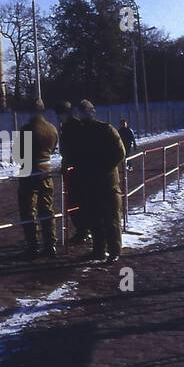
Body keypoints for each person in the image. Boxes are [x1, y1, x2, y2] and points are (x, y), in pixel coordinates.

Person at [78, 99, 126, 263]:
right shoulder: (83, 132)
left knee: (111, 218)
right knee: (95, 219)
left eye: (85, 112)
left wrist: (104, 167)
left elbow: (120, 152)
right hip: (92, 183)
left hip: (107, 182)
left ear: (92, 112)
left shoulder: (106, 129)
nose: (82, 115)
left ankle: (114, 251)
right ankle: (99, 250)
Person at [16, 100, 60, 260]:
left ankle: (33, 245)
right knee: (47, 209)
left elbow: (19, 155)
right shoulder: (52, 129)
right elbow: (54, 148)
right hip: (46, 172)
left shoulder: (26, 129)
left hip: (29, 173)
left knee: (28, 210)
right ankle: (51, 245)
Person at [57, 101, 89, 245]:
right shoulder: (71, 125)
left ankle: (83, 231)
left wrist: (68, 164)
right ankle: (84, 230)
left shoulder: (72, 126)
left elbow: (71, 150)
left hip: (76, 171)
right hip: (77, 169)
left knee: (76, 203)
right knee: (77, 202)